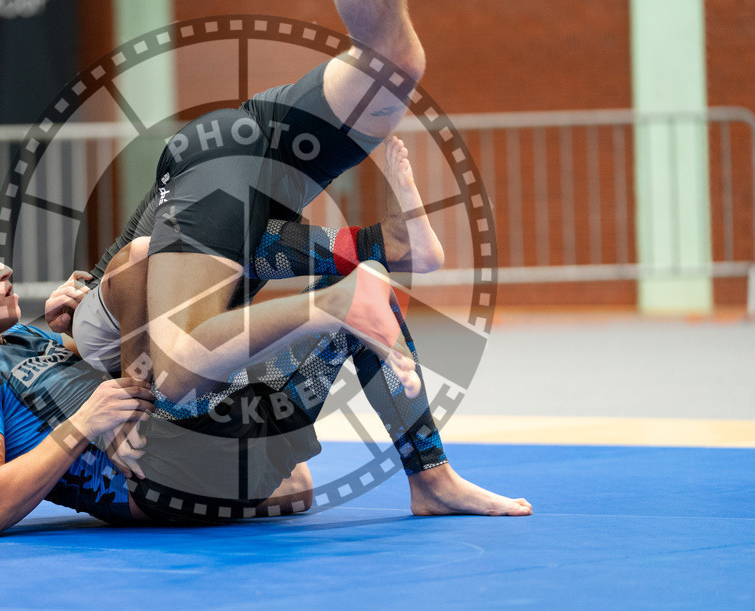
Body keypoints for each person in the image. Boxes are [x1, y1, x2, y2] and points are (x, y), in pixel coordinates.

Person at [49, 136, 532, 519]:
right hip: (176, 412)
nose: (8, 277)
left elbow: (298, 487)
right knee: (230, 246)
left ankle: (431, 477)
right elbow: (136, 261)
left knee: (358, 292)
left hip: (212, 409)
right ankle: (384, 243)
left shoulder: (89, 310)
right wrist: (129, 398)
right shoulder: (127, 278)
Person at [0, 213, 427, 534]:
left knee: (362, 301)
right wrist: (85, 425)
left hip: (201, 454)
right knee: (147, 255)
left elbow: (79, 372)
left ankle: (430, 476)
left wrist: (73, 322)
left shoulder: (22, 338)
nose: (2, 268)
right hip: (157, 466)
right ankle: (356, 258)